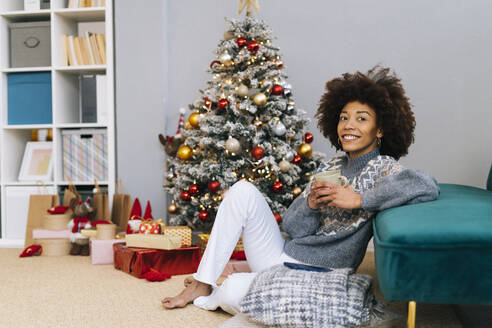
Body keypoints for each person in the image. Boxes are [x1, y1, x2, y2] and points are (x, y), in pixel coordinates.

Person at [161, 66, 439, 315]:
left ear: (380, 130)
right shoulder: (331, 165)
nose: (349, 126)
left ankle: (233, 288)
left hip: (322, 275)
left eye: (362, 119)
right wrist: (311, 205)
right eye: (344, 118)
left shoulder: (384, 169)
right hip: (282, 256)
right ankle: (202, 282)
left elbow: (426, 185)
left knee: (234, 290)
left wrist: (358, 199)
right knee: (243, 190)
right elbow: (293, 228)